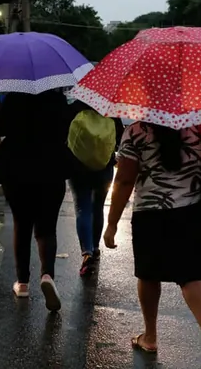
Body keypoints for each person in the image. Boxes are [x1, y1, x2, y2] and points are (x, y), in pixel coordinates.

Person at [103, 122, 201, 369]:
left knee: (149, 275)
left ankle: (150, 337)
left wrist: (112, 223)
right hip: (192, 213)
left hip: (151, 213)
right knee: (192, 274)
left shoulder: (136, 132)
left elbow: (125, 180)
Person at [0, 89, 72, 311]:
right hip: (52, 168)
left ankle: (23, 283)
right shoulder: (57, 100)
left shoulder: (13, 98)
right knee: (47, 229)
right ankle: (47, 275)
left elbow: (0, 129)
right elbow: (66, 129)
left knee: (22, 224)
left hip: (17, 169)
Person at [67, 100, 124, 276]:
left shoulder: (75, 107)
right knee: (98, 207)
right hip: (104, 167)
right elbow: (120, 137)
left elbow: (65, 134)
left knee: (82, 207)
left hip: (77, 166)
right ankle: (96, 247)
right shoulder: (110, 107)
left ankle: (87, 252)